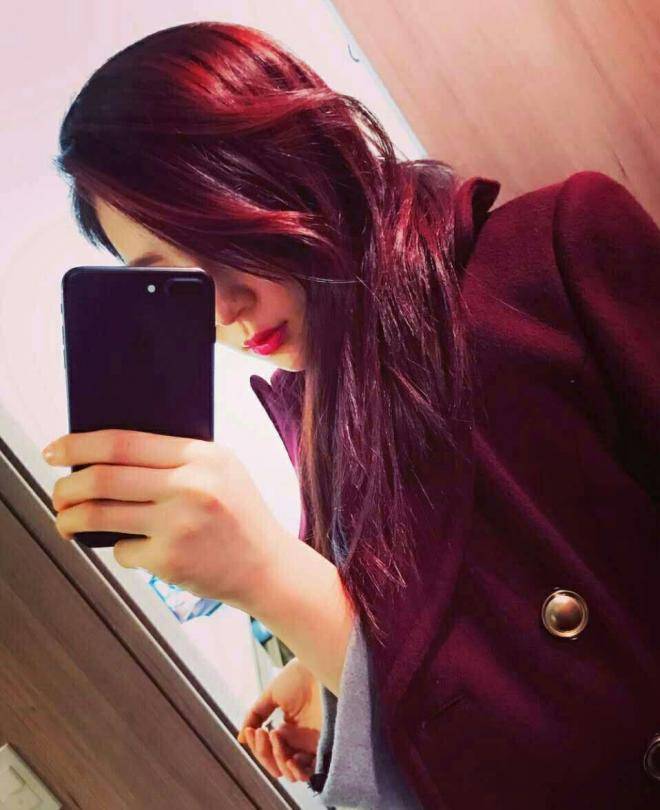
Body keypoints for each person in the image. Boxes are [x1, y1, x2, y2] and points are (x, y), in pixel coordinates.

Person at [50, 20, 659, 810]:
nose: (225, 308)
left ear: (300, 156)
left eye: (224, 235)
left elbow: (574, 732)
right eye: (174, 278)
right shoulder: (316, 413)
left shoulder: (552, 256)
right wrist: (331, 686)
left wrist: (275, 584)